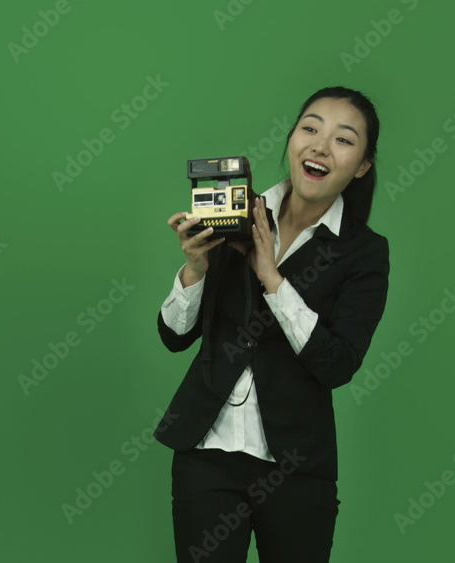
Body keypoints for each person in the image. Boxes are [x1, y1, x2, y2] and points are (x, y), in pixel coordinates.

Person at [153, 86, 391, 562]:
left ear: (362, 165)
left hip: (297, 467)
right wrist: (195, 269)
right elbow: (174, 337)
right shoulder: (238, 214)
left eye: (343, 139)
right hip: (206, 453)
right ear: (291, 139)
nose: (320, 146)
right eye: (310, 128)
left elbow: (337, 364)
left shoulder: (363, 252)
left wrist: (272, 277)